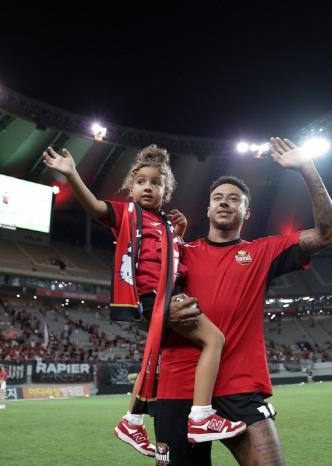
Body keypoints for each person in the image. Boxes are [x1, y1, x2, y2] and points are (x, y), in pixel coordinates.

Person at [43, 144, 245, 457]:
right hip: (151, 297)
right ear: (130, 188)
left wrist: (178, 234)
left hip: (165, 296)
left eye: (155, 182)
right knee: (214, 339)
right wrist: (71, 174)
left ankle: (132, 420)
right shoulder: (128, 214)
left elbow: (175, 264)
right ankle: (202, 416)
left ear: (166, 192)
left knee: (152, 358)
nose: (147, 187)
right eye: (140, 181)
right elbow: (96, 206)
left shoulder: (164, 224)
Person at [153, 137, 332, 466]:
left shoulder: (264, 251)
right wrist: (163, 313)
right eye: (217, 198)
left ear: (247, 211)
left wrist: (307, 168)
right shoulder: (180, 252)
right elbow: (142, 310)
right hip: (177, 385)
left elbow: (329, 234)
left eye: (234, 199)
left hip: (238, 385)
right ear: (209, 209)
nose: (224, 202)